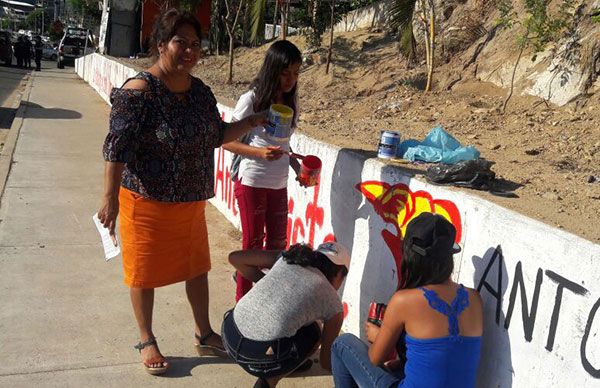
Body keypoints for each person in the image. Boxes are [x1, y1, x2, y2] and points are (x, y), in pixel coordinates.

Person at [97, 8, 266, 376]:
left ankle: (204, 331)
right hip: (146, 203)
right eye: (180, 42)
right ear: (160, 45)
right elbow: (116, 149)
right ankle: (146, 338)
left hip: (189, 203)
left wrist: (249, 123)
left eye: (195, 44)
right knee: (143, 273)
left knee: (196, 269)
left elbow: (216, 136)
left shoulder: (200, 92)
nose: (190, 50)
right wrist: (109, 198)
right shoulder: (138, 92)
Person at [331, 212, 483, 388]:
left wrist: (377, 335)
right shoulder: (475, 298)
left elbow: (375, 358)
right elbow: (442, 356)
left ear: (410, 257)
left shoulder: (404, 300)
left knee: (342, 343)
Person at [222, 40, 303, 302]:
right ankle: (243, 309)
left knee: (279, 248)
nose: (291, 79)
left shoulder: (291, 101)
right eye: (285, 72)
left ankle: (269, 303)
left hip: (279, 185)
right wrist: (259, 153)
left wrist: (296, 166)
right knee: (252, 247)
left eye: (296, 73)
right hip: (252, 182)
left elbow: (284, 144)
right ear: (272, 69)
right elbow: (226, 141)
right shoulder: (252, 99)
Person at [222, 242, 350, 388]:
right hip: (255, 358)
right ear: (339, 274)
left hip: (229, 334)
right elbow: (326, 362)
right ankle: (271, 377)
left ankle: (286, 364)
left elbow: (235, 258)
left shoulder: (288, 258)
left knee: (298, 319)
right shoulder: (333, 303)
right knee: (314, 332)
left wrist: (265, 280)